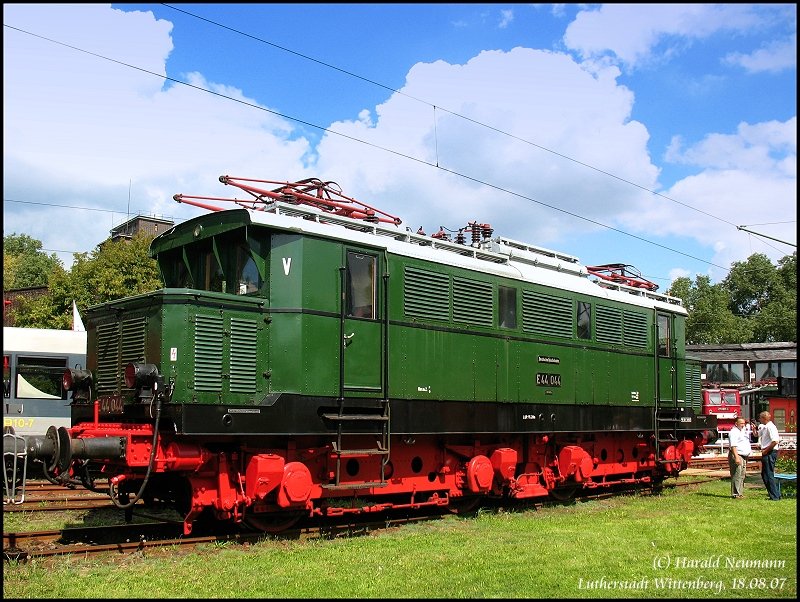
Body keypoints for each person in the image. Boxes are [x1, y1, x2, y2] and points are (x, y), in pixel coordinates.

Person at [754, 411, 781, 501]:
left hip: (770, 452)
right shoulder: (765, 427)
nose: (759, 420)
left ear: (764, 418)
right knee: (765, 474)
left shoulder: (770, 427)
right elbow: (757, 434)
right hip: (768, 451)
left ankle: (775, 496)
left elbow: (775, 441)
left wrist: (766, 450)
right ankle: (774, 494)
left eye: (760, 418)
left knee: (768, 474)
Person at [727, 418, 752, 498]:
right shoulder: (734, 432)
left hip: (743, 455)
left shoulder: (743, 431)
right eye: (741, 423)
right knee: (736, 474)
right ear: (736, 423)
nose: (743, 425)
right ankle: (735, 494)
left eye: (743, 423)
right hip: (737, 455)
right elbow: (733, 445)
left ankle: (740, 493)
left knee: (742, 474)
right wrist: (736, 457)